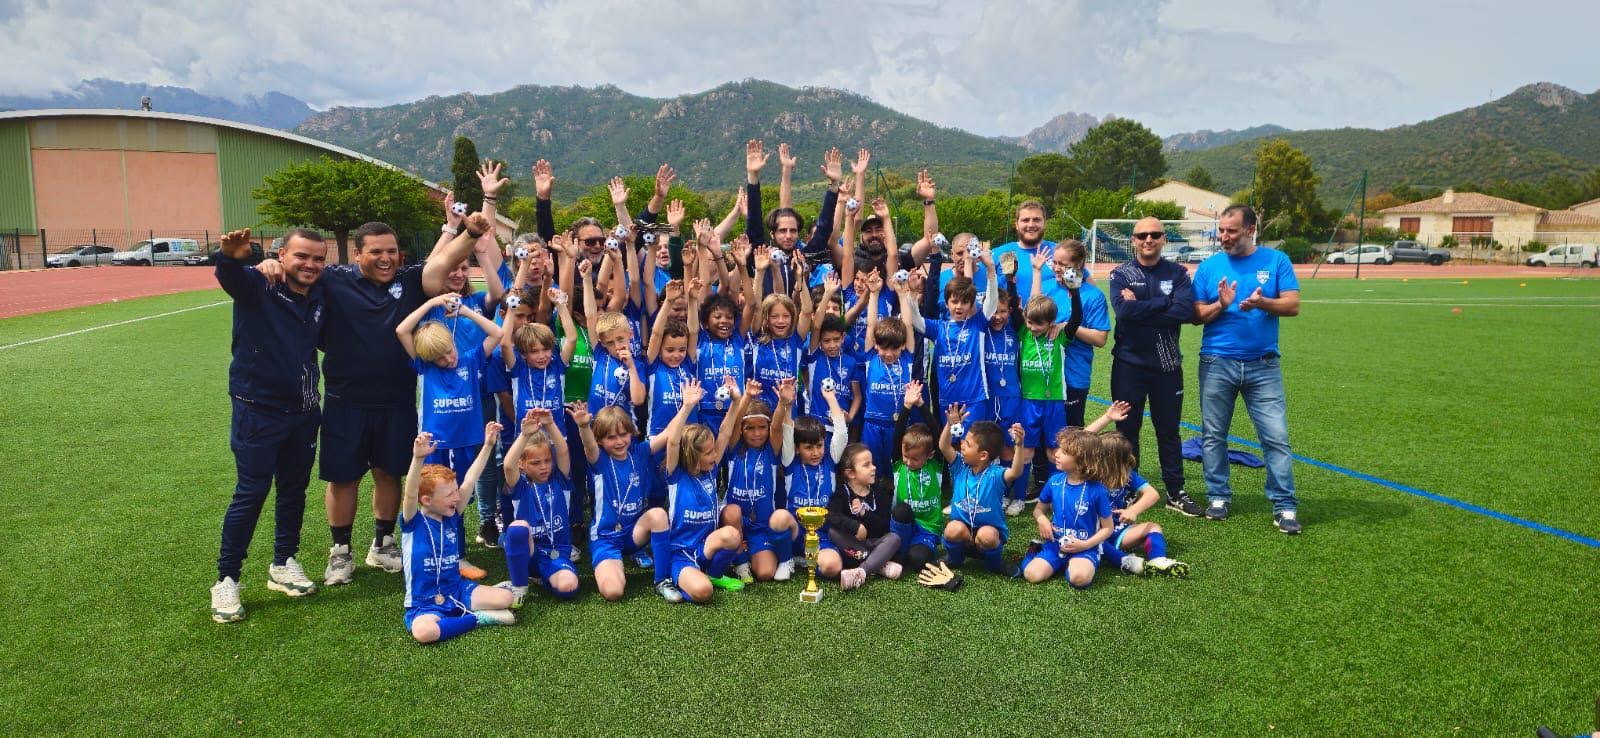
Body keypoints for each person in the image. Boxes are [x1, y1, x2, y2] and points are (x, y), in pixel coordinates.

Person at [256, 212, 487, 586]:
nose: (386, 259)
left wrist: (471, 232)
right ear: (357, 254)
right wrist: (270, 263)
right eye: (376, 251)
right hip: (345, 399)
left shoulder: (409, 279)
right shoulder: (333, 281)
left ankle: (383, 544)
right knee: (343, 478)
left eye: (392, 251)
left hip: (396, 399)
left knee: (389, 472)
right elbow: (293, 275)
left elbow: (440, 264)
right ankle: (340, 552)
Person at [210, 227, 327, 624]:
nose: (310, 265)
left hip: (305, 410)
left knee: (294, 489)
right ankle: (227, 578)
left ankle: (283, 561)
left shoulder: (320, 294)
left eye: (317, 258)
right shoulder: (259, 284)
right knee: (251, 492)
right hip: (257, 410)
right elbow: (231, 278)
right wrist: (231, 257)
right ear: (282, 255)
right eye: (302, 257)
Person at [1191, 205, 1303, 534]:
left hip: (1263, 364)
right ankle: (1217, 497)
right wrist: (1221, 305)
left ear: (1250, 229)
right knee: (1213, 436)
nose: (1224, 237)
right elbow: (1196, 315)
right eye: (1221, 231)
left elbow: (1292, 305)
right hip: (1216, 361)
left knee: (1276, 437)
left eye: (1231, 231)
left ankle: (1284, 506)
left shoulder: (1276, 261)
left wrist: (1262, 303)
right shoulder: (1209, 268)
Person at [396, 291, 505, 581]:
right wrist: (431, 303)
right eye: (441, 359)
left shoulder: (469, 359)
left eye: (449, 351)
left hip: (467, 442)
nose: (448, 359)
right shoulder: (425, 366)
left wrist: (466, 313)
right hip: (435, 446)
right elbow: (402, 329)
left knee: (459, 498)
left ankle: (454, 552)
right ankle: (446, 554)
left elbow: (497, 332)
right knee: (435, 498)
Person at [1108, 216, 1202, 517]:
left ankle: (1175, 492)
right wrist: (1164, 301)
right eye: (1142, 235)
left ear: (1163, 239)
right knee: (1126, 432)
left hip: (1167, 366)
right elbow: (1124, 311)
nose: (1148, 240)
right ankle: (1126, 490)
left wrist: (1143, 306)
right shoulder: (1120, 273)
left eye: (1155, 235)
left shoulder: (1178, 273)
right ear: (1133, 240)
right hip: (1128, 365)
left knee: (1168, 431)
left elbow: (1184, 311)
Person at [400, 426, 516, 644]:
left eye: (456, 491)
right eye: (449, 494)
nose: (457, 497)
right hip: (425, 603)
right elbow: (409, 493)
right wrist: (418, 458)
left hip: (457, 590)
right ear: (426, 500)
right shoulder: (413, 521)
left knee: (507, 598)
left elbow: (470, 479)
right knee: (424, 632)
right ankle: (479, 619)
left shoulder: (452, 516)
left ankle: (472, 607)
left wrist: (489, 445)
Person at [662, 382, 746, 603]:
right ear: (692, 455)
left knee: (732, 535)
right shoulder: (676, 476)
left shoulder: (710, 470)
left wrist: (736, 402)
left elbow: (726, 430)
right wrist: (687, 406)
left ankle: (713, 574)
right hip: (682, 553)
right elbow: (672, 441)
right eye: (708, 453)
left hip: (705, 546)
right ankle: (685, 578)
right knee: (703, 592)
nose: (714, 455)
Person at [499, 408, 578, 605]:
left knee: (569, 587)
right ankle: (519, 586)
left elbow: (563, 451)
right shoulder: (521, 486)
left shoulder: (560, 480)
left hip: (557, 553)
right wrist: (525, 435)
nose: (544, 467)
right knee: (518, 529)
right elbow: (508, 466)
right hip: (530, 553)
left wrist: (550, 425)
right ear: (522, 465)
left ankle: (546, 578)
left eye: (547, 461)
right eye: (536, 463)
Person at [1017, 426, 1113, 588]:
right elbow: (1039, 509)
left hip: (1084, 547)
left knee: (1079, 579)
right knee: (1031, 575)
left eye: (1064, 452)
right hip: (1055, 544)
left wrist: (1085, 545)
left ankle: (1071, 565)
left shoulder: (1097, 490)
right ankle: (1036, 552)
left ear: (1082, 460)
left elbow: (1108, 528)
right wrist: (1042, 520)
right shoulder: (1055, 481)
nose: (1057, 454)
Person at [939, 407, 1028, 573]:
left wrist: (1020, 445)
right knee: (951, 529)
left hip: (987, 540)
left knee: (987, 535)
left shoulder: (995, 474)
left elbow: (1016, 472)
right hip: (963, 536)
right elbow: (943, 446)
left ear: (983, 455)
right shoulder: (960, 466)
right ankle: (955, 558)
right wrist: (949, 425)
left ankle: (994, 564)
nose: (962, 445)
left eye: (968, 444)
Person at [718, 379, 788, 583]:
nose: (757, 434)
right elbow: (733, 424)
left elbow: (776, 427)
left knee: (765, 573)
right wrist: (746, 396)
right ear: (741, 429)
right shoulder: (734, 449)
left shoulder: (771, 451)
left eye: (761, 428)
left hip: (761, 524)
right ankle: (740, 562)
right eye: (749, 428)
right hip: (736, 521)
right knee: (732, 511)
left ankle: (752, 551)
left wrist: (783, 403)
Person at [1096, 432, 1190, 577]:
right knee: (1091, 533)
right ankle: (1124, 560)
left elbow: (1153, 494)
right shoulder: (1089, 476)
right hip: (1096, 531)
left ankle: (1157, 560)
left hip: (1118, 530)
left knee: (1153, 527)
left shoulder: (1127, 474)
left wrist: (1133, 510)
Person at [828, 442, 905, 590]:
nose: (874, 468)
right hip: (852, 547)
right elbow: (831, 515)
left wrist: (865, 514)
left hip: (875, 542)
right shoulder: (842, 492)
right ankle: (879, 563)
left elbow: (885, 524)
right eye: (866, 465)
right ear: (851, 473)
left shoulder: (879, 491)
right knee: (832, 532)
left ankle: (861, 572)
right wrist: (855, 526)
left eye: (872, 463)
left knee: (894, 538)